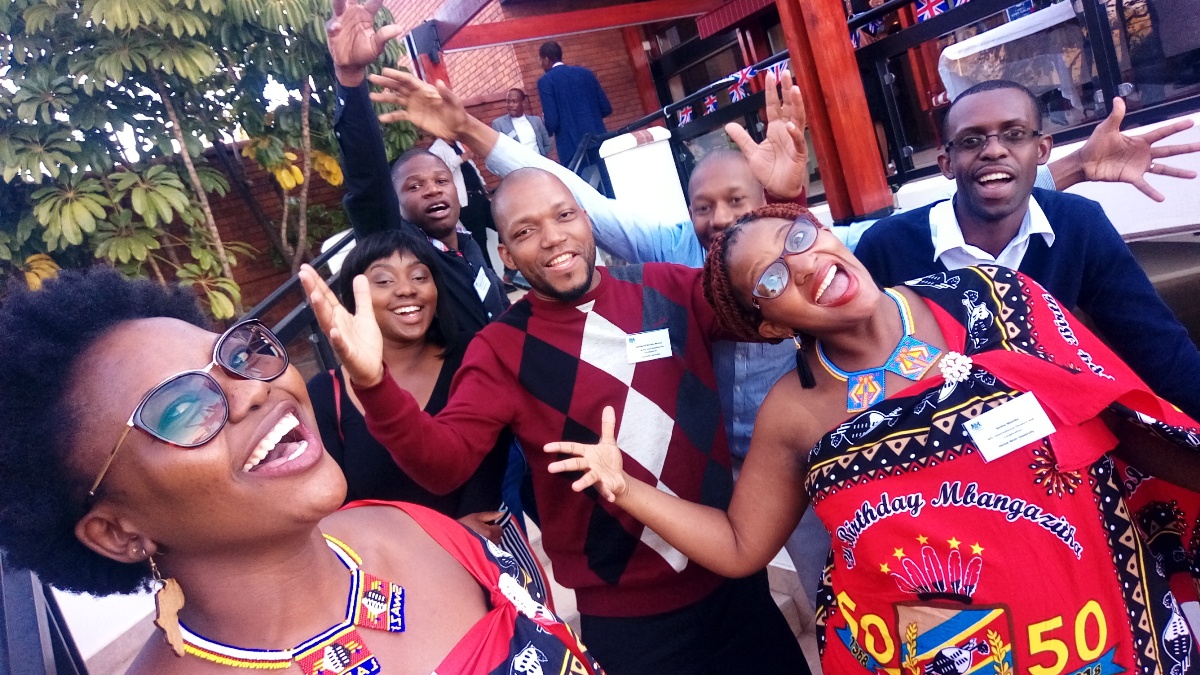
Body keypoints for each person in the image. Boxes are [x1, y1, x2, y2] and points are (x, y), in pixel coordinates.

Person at [547, 201, 1200, 674]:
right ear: (769, 325)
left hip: (1099, 630)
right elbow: (743, 544)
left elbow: (1122, 419)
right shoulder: (793, 414)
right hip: (942, 654)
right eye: (771, 279)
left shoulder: (992, 297)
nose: (803, 265)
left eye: (798, 236)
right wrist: (624, 487)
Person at [298, 166, 810, 674]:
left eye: (563, 216)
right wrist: (374, 384)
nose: (552, 237)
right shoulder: (499, 349)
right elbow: (443, 464)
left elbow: (772, 305)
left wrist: (789, 206)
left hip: (733, 581)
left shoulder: (668, 287)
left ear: (586, 219)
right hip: (631, 621)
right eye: (525, 231)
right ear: (506, 255)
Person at [0, 268, 602, 675]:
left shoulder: (415, 526)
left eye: (236, 355)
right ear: (117, 531)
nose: (252, 390)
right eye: (180, 408)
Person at [854, 80, 1200, 421]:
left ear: (1042, 150)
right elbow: (853, 364)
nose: (993, 150)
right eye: (971, 140)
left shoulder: (1077, 224)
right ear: (947, 163)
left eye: (1015, 134)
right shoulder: (888, 246)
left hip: (1057, 427)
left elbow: (1158, 348)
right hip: (935, 437)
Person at [306, 228, 547, 599]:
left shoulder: (472, 352)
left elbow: (488, 454)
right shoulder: (326, 393)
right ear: (354, 300)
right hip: (392, 572)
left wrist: (466, 530)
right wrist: (438, 538)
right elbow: (338, 504)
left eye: (420, 276)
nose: (407, 289)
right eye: (384, 281)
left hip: (486, 544)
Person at [326, 0, 505, 337]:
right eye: (414, 186)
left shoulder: (468, 245)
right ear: (395, 203)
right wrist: (350, 78)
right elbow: (368, 181)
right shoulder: (403, 249)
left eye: (441, 180)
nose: (433, 189)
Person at [536, 41, 612, 166]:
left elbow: (552, 122)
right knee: (607, 177)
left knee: (581, 179)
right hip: (599, 140)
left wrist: (546, 126)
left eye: (540, 61)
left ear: (546, 59)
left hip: (572, 149)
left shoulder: (545, 81)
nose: (541, 64)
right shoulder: (586, 73)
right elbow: (606, 108)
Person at [492, 88, 552, 158]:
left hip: (538, 162)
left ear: (523, 103)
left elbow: (548, 144)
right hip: (516, 164)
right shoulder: (499, 124)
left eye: (514, 101)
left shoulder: (536, 121)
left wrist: (540, 158)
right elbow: (498, 152)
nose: (510, 105)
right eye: (508, 101)